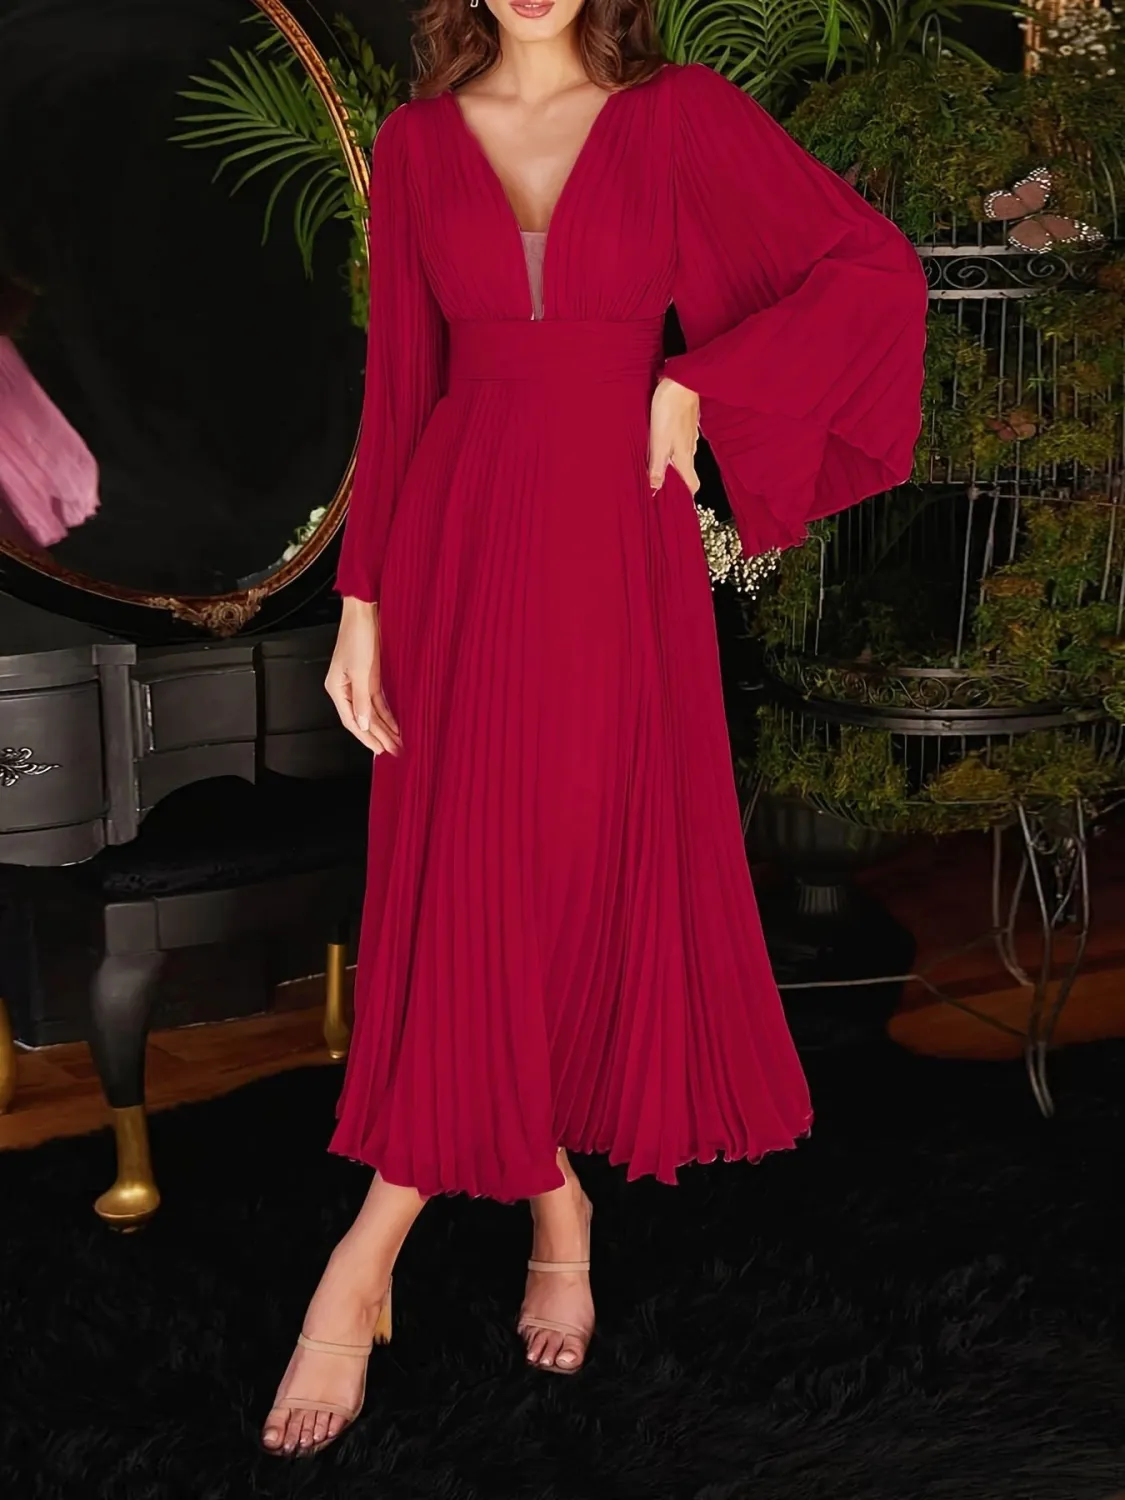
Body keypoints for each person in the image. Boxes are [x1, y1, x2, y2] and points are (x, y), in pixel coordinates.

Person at [262, 0, 927, 1457]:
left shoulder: (680, 118)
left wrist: (697, 379)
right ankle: (546, 1200)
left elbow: (870, 271)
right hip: (458, 537)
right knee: (470, 876)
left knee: (572, 862)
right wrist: (360, 607)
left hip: (618, 543)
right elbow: (399, 388)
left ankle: (372, 1250)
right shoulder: (417, 142)